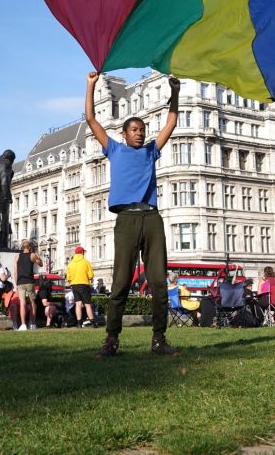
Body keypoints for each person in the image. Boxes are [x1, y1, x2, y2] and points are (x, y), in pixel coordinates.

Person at [85, 71, 180, 357]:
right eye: (134, 130)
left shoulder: (151, 151)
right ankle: (111, 340)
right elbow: (91, 119)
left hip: (152, 218)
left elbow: (171, 122)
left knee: (159, 281)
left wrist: (174, 93)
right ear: (124, 134)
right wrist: (90, 85)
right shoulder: (113, 149)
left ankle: (159, 339)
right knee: (120, 281)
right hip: (126, 219)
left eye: (142, 129)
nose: (140, 133)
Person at [15, 239, 43, 331]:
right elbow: (41, 264)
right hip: (30, 281)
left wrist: (16, 283)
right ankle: (33, 323)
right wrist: (38, 256)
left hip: (20, 282)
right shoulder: (32, 255)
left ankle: (23, 324)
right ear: (30, 247)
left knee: (22, 302)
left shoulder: (17, 256)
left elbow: (15, 272)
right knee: (32, 302)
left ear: (23, 247)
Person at [66, 246, 95, 327]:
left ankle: (79, 323)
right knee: (87, 304)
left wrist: (71, 281)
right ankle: (92, 323)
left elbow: (68, 277)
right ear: (82, 253)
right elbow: (91, 275)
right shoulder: (86, 262)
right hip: (84, 284)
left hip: (74, 285)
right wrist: (90, 278)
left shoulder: (71, 263)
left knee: (78, 304)